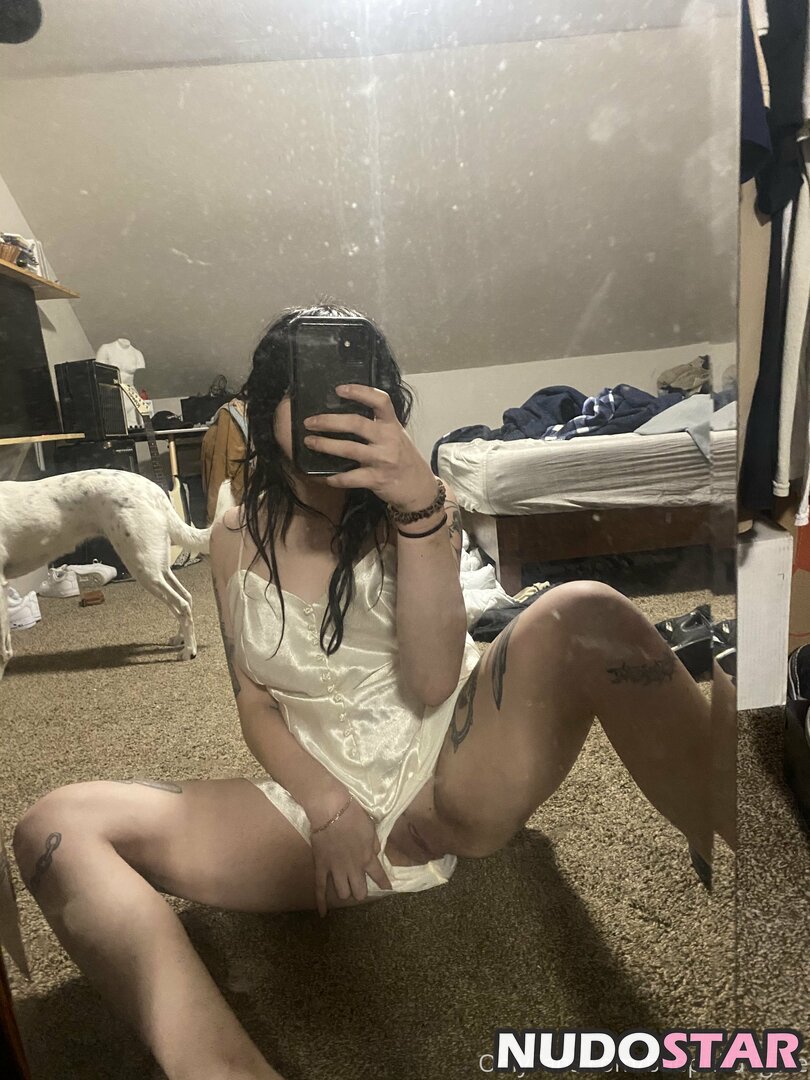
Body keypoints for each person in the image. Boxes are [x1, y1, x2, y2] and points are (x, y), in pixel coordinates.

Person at [12, 302, 733, 1080]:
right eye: (306, 388)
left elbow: (431, 682)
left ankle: (749, 832)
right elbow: (254, 702)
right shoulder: (231, 536)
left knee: (585, 610)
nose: (330, 408)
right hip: (309, 804)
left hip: (448, 778)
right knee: (55, 827)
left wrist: (418, 509)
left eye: (353, 387)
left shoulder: (416, 508)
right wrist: (326, 805)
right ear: (267, 407)